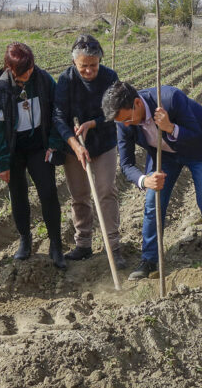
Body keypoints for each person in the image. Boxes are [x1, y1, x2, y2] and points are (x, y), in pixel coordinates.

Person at [102, 81, 202, 280]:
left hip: (200, 149)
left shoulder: (170, 99)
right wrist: (144, 180)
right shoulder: (123, 122)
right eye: (122, 122)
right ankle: (149, 260)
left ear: (137, 103)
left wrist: (171, 128)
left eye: (128, 119)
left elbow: (197, 135)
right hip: (165, 155)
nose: (126, 125)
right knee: (152, 202)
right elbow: (127, 165)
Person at [0, 42, 67, 269]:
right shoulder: (2, 88)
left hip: (39, 147)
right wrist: (1, 161)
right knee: (18, 195)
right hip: (15, 150)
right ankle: (25, 240)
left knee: (48, 192)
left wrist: (54, 143)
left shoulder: (43, 81)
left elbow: (57, 114)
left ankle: (56, 244)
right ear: (10, 69)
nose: (29, 73)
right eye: (23, 71)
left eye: (30, 68)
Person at [52, 35, 125, 268]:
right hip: (74, 146)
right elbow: (58, 117)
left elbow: (114, 110)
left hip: (104, 142)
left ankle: (113, 246)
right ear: (75, 63)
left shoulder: (109, 77)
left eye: (93, 65)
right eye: (84, 66)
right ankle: (83, 244)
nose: (89, 71)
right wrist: (74, 144)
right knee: (80, 195)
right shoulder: (66, 79)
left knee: (105, 190)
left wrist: (92, 123)